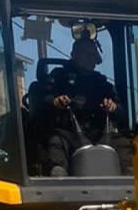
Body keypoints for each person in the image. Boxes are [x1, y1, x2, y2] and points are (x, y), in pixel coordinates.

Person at [29, 30, 121, 176]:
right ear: (74, 55)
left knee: (126, 143)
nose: (90, 59)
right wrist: (55, 101)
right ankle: (59, 179)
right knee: (55, 142)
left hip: (100, 135)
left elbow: (121, 110)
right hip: (67, 133)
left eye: (93, 55)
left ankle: (134, 179)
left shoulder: (102, 83)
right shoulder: (58, 77)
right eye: (86, 54)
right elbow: (42, 101)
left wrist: (113, 107)